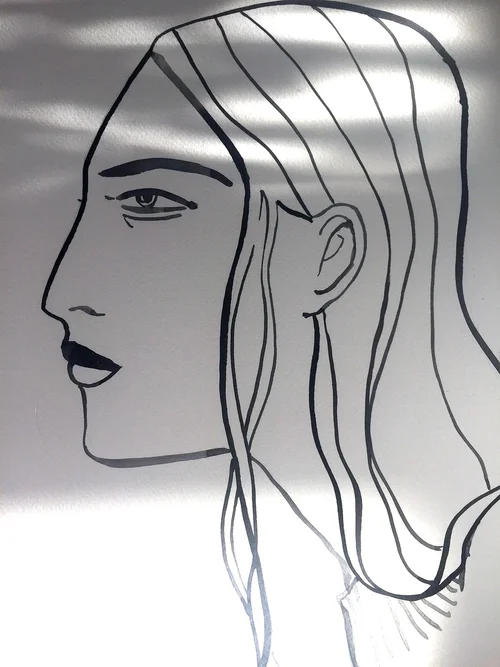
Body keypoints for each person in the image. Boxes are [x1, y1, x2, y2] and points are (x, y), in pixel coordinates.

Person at [41, 2, 500, 665]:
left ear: (329, 255)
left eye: (149, 202)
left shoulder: (478, 557)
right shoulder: (266, 531)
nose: (59, 294)